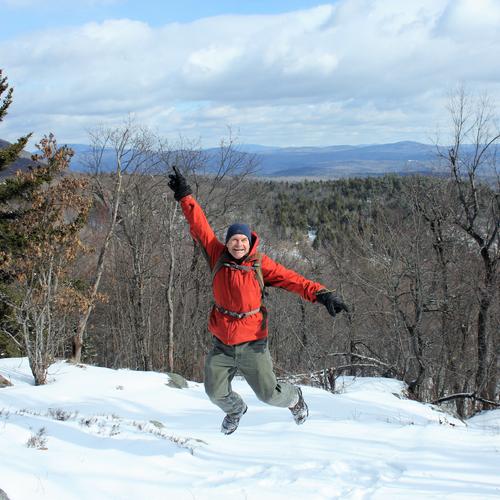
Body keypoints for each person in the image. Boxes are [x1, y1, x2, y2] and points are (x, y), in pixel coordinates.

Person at [168, 166, 348, 434]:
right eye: (233, 240)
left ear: (250, 242)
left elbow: (294, 280)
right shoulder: (217, 255)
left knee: (269, 394)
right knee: (214, 392)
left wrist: (322, 295)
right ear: (227, 242)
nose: (238, 244)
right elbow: (199, 225)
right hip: (222, 343)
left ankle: (295, 399)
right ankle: (235, 410)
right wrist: (185, 196)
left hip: (253, 342)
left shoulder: (260, 265)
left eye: (242, 240)